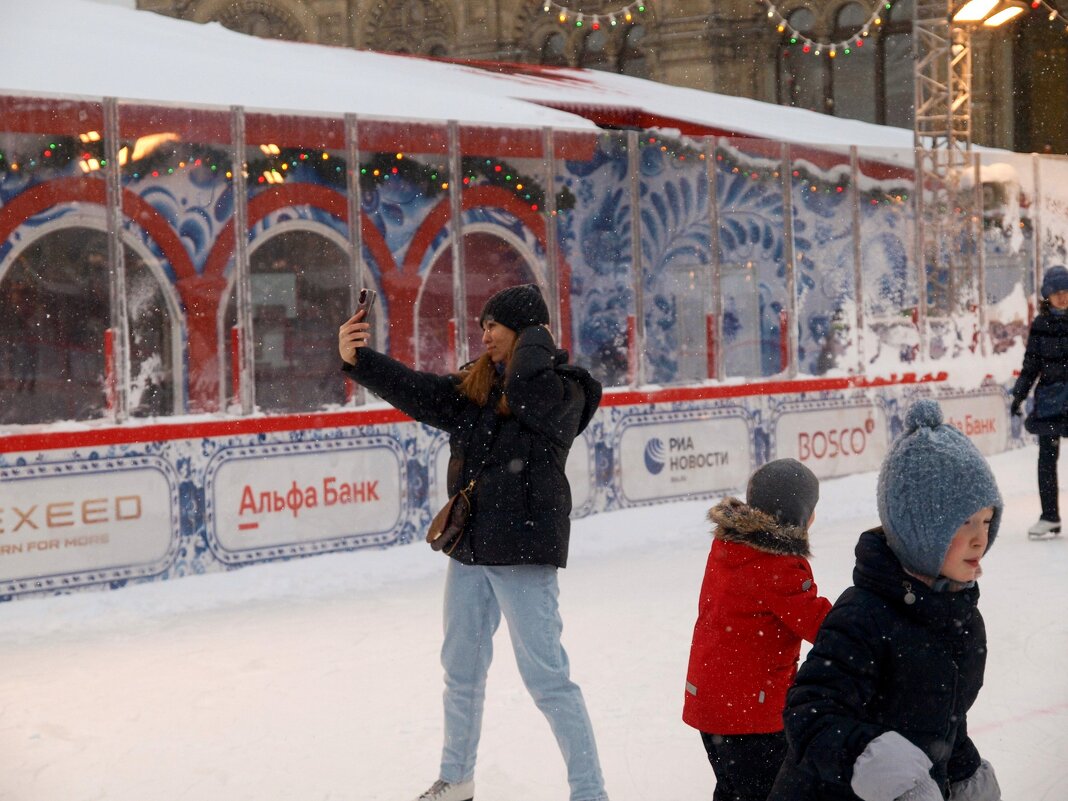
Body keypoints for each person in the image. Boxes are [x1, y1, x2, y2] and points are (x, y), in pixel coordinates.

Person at [338, 284, 609, 801]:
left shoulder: (565, 390)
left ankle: (590, 792)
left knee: (548, 681)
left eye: (495, 325)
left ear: (528, 333)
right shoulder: (476, 388)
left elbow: (531, 394)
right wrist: (360, 360)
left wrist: (533, 340)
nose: (483, 334)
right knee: (460, 670)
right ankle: (456, 779)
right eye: (482, 324)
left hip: (525, 555)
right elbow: (417, 391)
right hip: (468, 552)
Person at [768, 398, 1003, 801]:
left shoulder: (959, 615)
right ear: (921, 529)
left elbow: (942, 719)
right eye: (964, 523)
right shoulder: (863, 615)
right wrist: (876, 763)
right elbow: (810, 714)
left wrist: (962, 771)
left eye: (985, 520)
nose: (980, 537)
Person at [683, 458, 832, 801]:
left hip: (710, 702)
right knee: (768, 792)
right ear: (801, 515)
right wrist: (864, 619)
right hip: (750, 715)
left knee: (735, 789)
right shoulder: (779, 565)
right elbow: (821, 625)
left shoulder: (728, 546)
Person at [1010, 263, 1068, 538]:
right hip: (1050, 400)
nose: (1063, 296)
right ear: (1048, 294)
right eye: (1057, 292)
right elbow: (1031, 365)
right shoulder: (1041, 325)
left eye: (1066, 290)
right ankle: (1049, 516)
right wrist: (1019, 395)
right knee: (1047, 458)